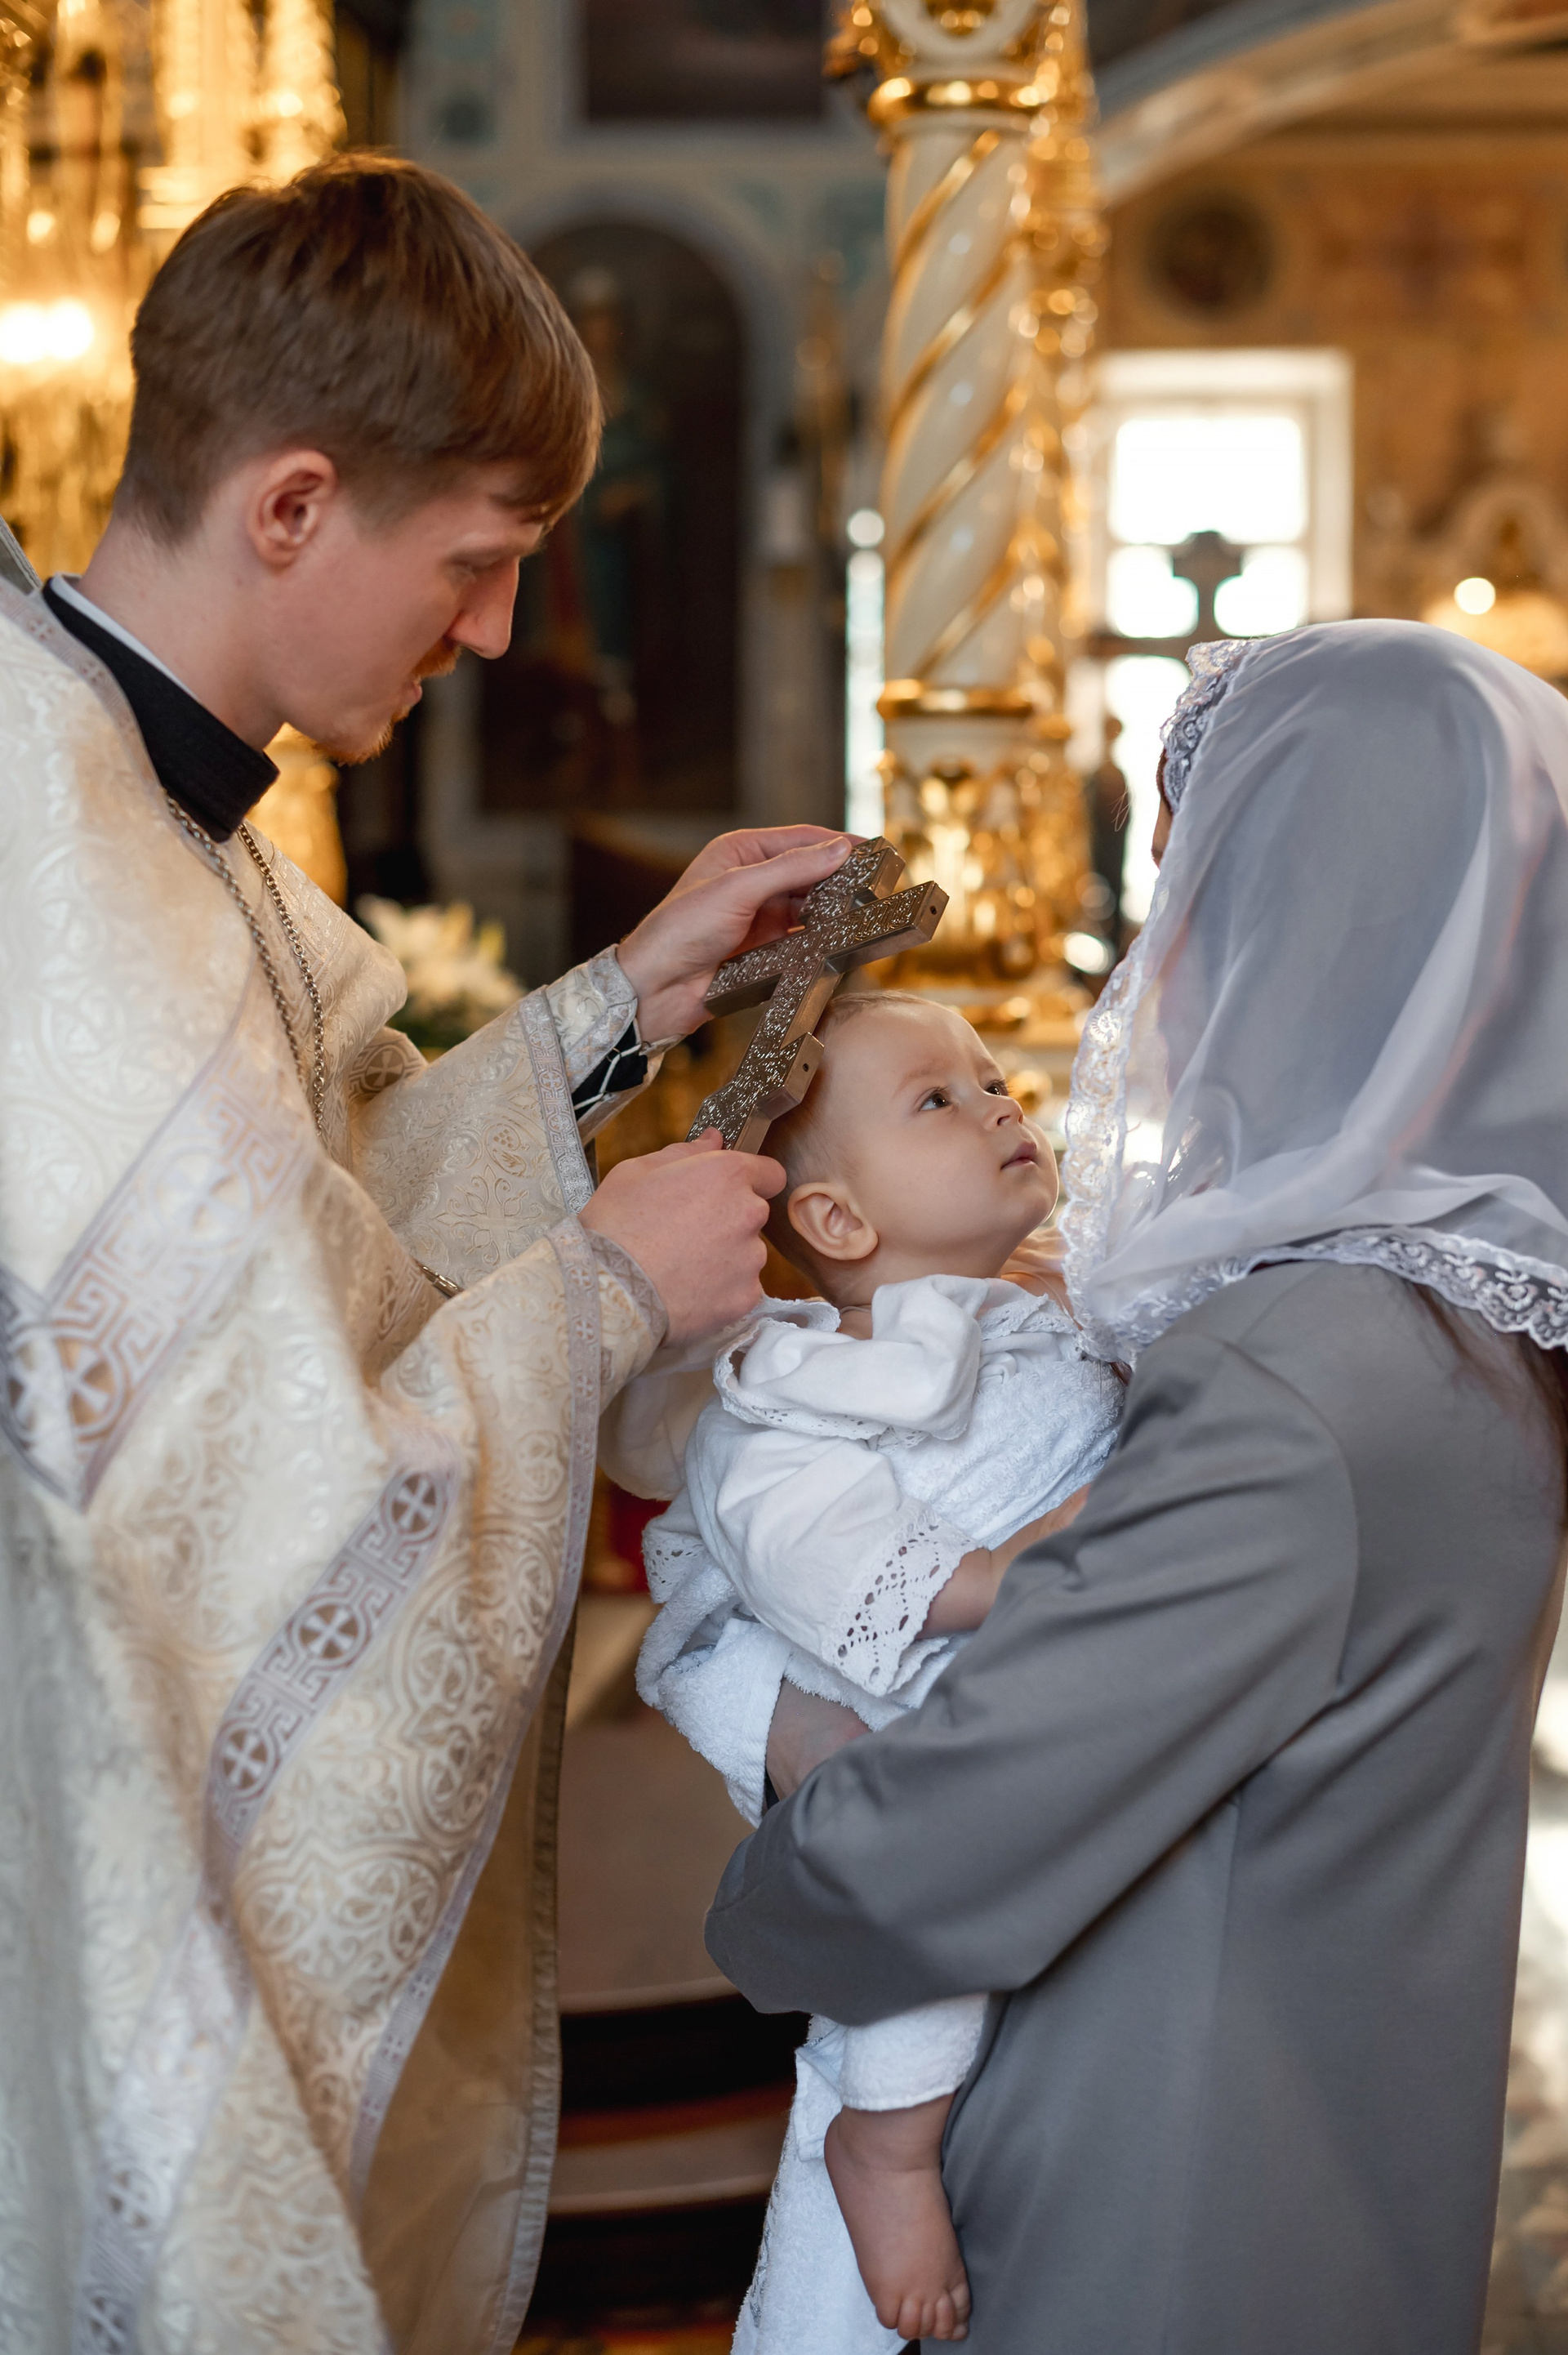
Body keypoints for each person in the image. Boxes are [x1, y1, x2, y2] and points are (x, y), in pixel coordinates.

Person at [0, 154, 851, 2354]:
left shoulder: (146, 807)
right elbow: (231, 1518)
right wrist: (606, 1290)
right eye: (473, 563)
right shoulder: (51, 869)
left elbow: (318, 1206)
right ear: (292, 504)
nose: (490, 635)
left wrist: (621, 1007)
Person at [706, 620, 1568, 2355]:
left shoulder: (1298, 1368)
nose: (1161, 971)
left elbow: (941, 1840)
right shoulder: (1468, 1312)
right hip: (1338, 2152)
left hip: (1151, 2196)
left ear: (1299, 935)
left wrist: (769, 1834)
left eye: (1195, 899)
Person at [611, 993, 1120, 2349]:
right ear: (836, 1223)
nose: (1001, 1103)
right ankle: (885, 2141)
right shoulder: (794, 1391)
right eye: (938, 1100)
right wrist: (998, 1575)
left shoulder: (1054, 1298)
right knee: (927, 1913)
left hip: (1062, 1697)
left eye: (995, 1079)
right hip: (908, 1710)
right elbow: (814, 1552)